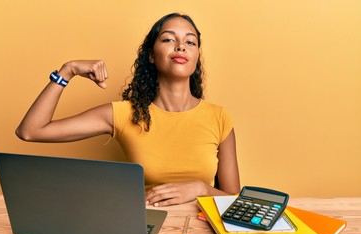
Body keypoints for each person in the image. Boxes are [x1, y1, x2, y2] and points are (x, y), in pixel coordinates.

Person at [16, 13, 241, 207]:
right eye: (168, 39)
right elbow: (31, 131)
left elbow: (233, 200)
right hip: (145, 226)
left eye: (190, 42)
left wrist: (201, 189)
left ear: (196, 58)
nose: (180, 46)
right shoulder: (124, 114)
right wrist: (68, 71)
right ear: (151, 56)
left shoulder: (218, 117)